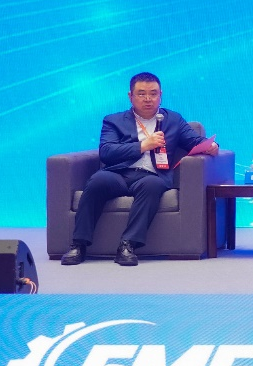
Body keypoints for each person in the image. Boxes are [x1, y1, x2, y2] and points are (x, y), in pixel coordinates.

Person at [61, 72, 220, 266]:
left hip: (152, 175)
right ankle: (78, 244)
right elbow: (106, 152)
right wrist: (143, 146)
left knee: (151, 185)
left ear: (160, 95)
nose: (148, 99)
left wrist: (211, 146)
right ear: (131, 96)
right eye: (141, 94)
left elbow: (195, 141)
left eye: (153, 94)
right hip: (118, 173)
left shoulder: (173, 120)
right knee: (96, 182)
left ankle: (127, 245)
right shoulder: (113, 120)